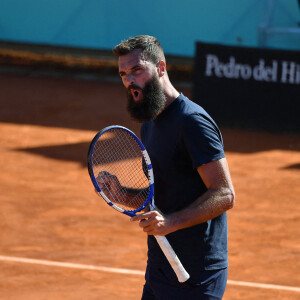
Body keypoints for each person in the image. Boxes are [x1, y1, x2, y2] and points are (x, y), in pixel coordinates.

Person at [112, 35, 235, 300]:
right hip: (160, 267)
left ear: (161, 68)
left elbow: (224, 194)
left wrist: (171, 222)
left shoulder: (192, 122)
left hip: (197, 273)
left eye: (137, 70)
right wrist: (126, 195)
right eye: (123, 74)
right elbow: (164, 195)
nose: (129, 80)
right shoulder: (149, 123)